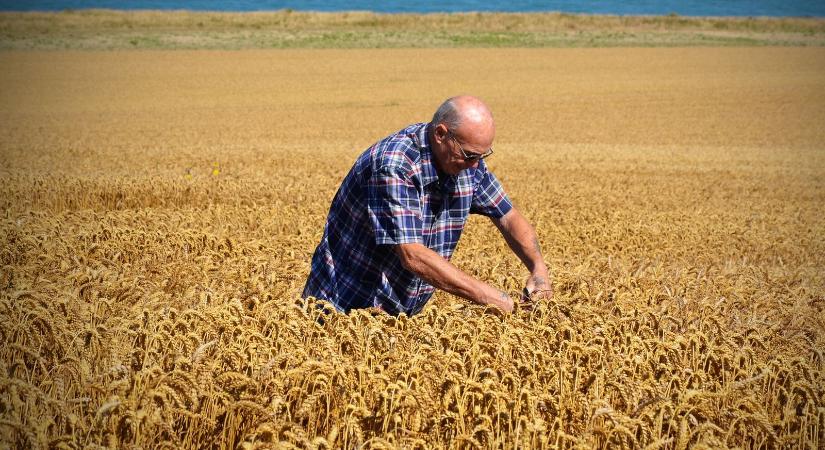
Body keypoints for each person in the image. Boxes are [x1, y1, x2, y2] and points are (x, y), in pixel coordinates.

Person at [302, 95, 553, 316]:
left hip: (397, 317)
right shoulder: (395, 165)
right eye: (469, 155)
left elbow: (508, 216)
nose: (476, 165)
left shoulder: (468, 164)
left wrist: (538, 269)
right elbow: (412, 255)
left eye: (482, 156)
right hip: (341, 308)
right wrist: (494, 300)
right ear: (441, 134)